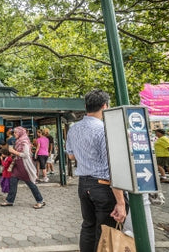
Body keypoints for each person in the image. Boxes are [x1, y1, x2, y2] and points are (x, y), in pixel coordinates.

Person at [66, 89, 127, 252]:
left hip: (83, 185)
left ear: (86, 106)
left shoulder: (73, 129)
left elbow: (71, 156)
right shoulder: (105, 130)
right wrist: (120, 202)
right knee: (106, 231)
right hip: (103, 186)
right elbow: (111, 168)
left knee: (88, 226)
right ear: (105, 106)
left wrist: (85, 155)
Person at [1, 126, 45, 208]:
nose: (14, 134)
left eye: (15, 132)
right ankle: (10, 200)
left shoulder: (24, 142)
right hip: (17, 165)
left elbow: (26, 155)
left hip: (24, 166)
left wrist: (14, 152)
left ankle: (40, 200)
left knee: (30, 183)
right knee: (13, 181)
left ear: (20, 133)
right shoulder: (18, 141)